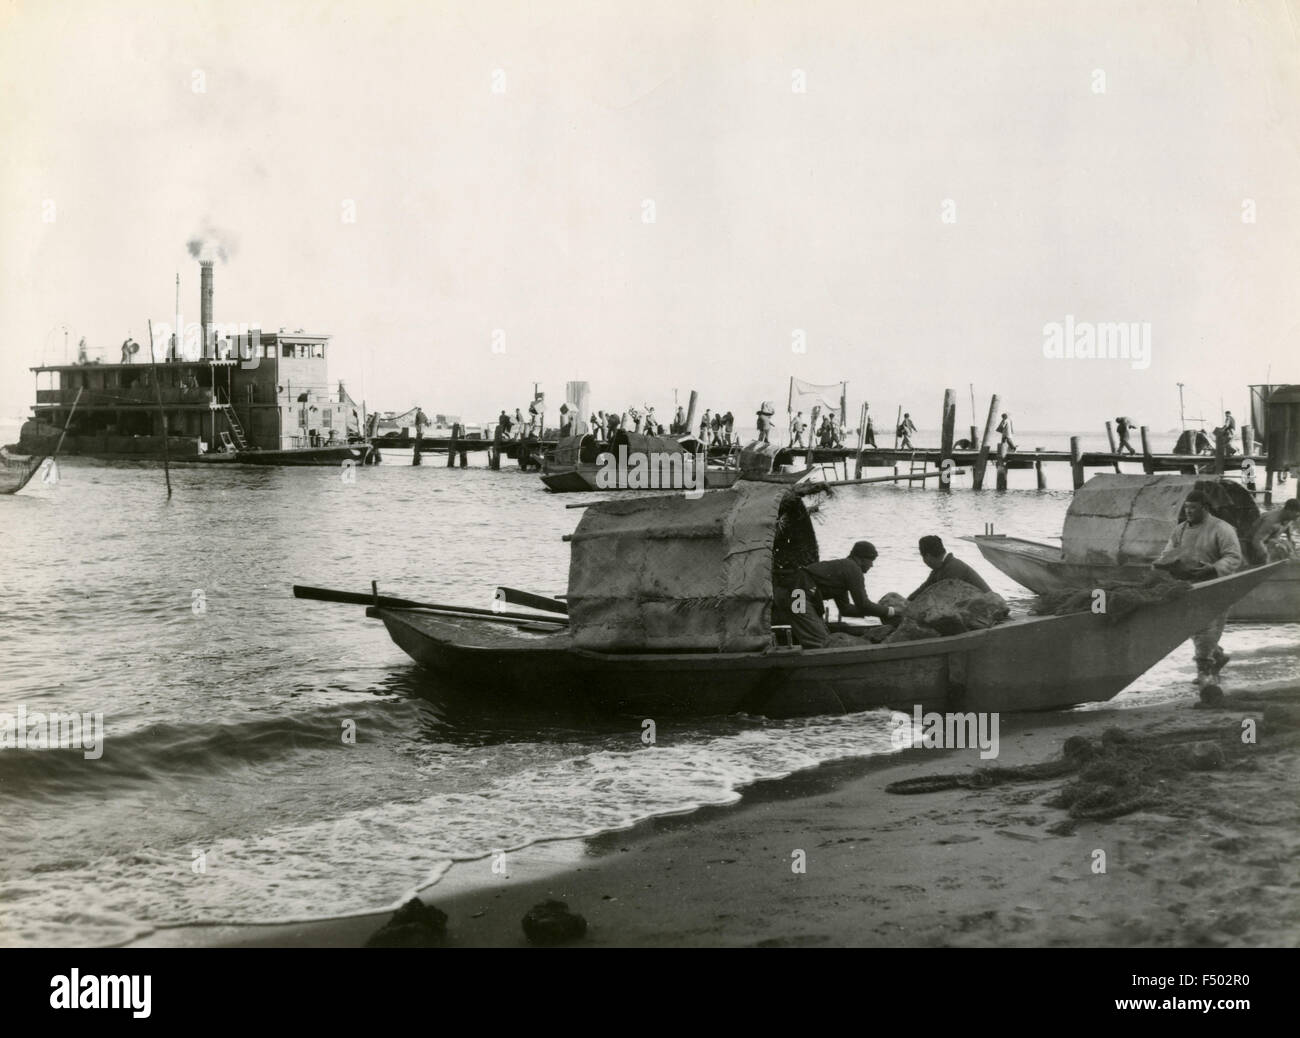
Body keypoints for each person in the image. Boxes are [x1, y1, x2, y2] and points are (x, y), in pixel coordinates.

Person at [1151, 490, 1243, 686]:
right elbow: (1169, 552)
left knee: (1207, 629)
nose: (1189, 512)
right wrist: (1161, 564)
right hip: (1189, 585)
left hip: (1217, 585)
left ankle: (1204, 672)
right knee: (1194, 627)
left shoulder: (1222, 528)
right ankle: (1217, 656)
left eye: (1193, 508)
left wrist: (1214, 568)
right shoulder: (1180, 530)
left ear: (1205, 508)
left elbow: (1234, 556)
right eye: (1186, 508)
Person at [772, 541, 899, 648]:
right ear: (860, 559)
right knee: (821, 643)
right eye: (871, 560)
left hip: (796, 593)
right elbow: (863, 604)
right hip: (797, 593)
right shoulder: (853, 568)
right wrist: (891, 611)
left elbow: (846, 609)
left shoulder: (844, 569)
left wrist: (876, 610)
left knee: (821, 637)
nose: (872, 565)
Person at [908, 536, 992, 600]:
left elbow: (942, 598)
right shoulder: (941, 567)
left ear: (928, 556)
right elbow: (924, 589)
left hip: (989, 608)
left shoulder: (952, 568)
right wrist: (907, 602)